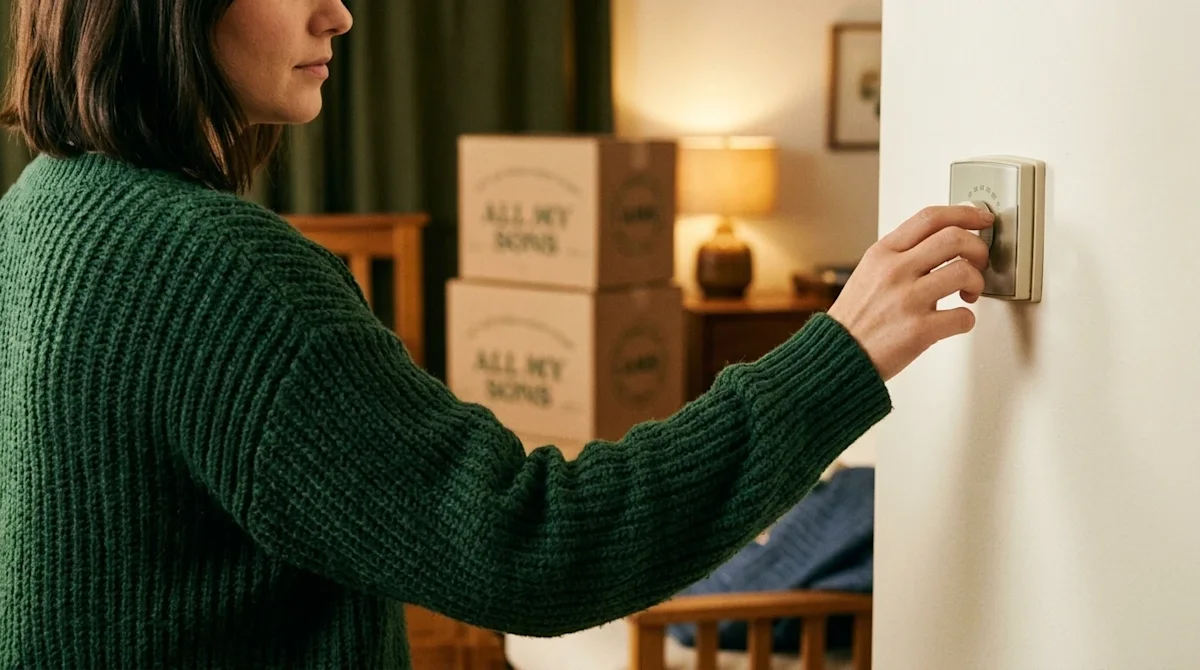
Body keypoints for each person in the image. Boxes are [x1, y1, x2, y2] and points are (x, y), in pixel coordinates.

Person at [0, 1, 992, 668]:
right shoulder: (213, 271)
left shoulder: (41, 208)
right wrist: (839, 356)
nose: (338, 10)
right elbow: (531, 547)